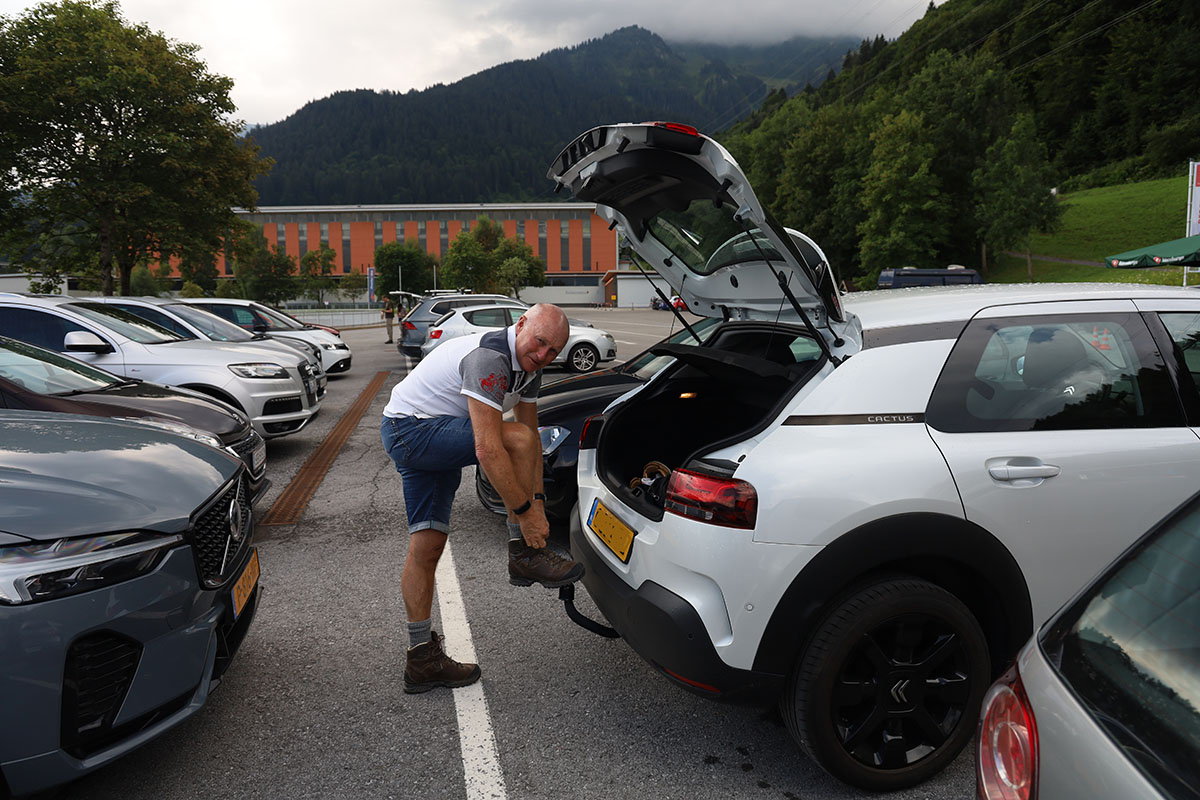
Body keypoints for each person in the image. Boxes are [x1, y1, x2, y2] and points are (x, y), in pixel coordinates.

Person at [380, 303, 585, 693]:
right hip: (411, 430)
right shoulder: (491, 357)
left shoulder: (530, 368)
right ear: (520, 324)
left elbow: (530, 439)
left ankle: (420, 659)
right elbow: (489, 449)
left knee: (427, 545)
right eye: (540, 342)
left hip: (425, 430)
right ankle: (522, 554)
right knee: (514, 440)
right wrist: (526, 516)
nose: (543, 355)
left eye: (553, 351)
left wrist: (538, 503)